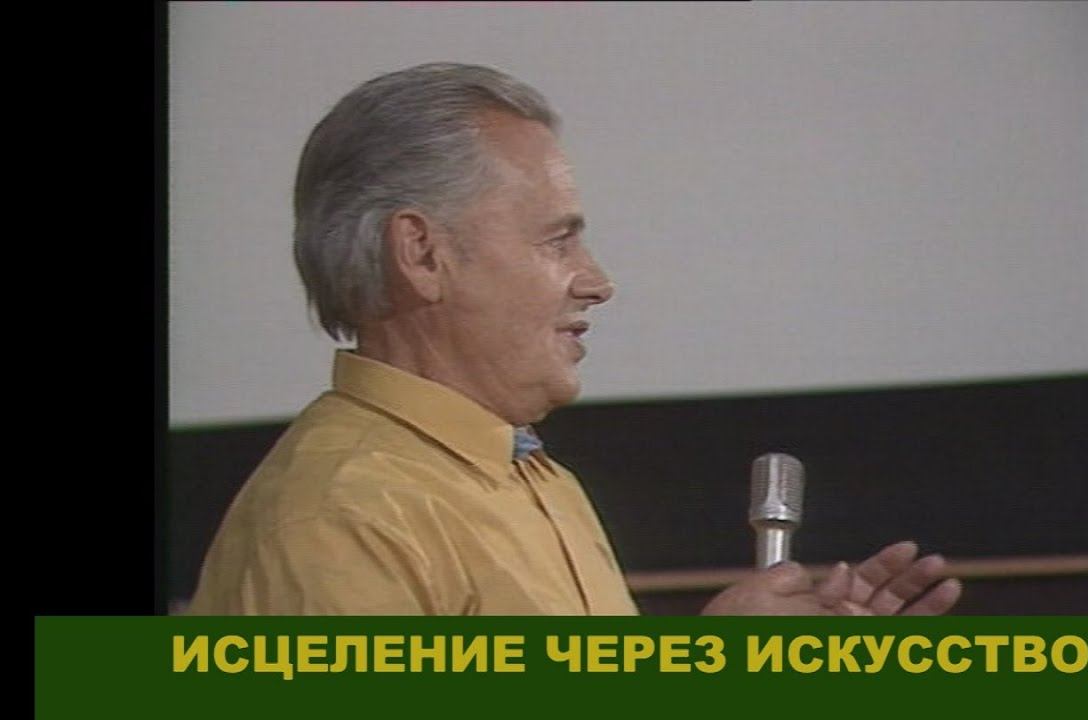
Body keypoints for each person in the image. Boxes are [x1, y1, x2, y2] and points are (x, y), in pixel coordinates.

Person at [186, 62, 963, 616]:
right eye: (557, 240)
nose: (597, 281)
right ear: (422, 254)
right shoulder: (344, 519)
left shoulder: (533, 479)